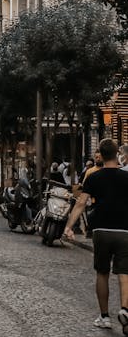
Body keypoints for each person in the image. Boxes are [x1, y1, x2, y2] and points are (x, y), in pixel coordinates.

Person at [64, 139, 128, 333]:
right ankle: (125, 309)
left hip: (101, 230)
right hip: (125, 231)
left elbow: (81, 203)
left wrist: (69, 226)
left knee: (102, 273)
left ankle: (105, 316)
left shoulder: (93, 177)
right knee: (125, 273)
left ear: (100, 153)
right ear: (118, 154)